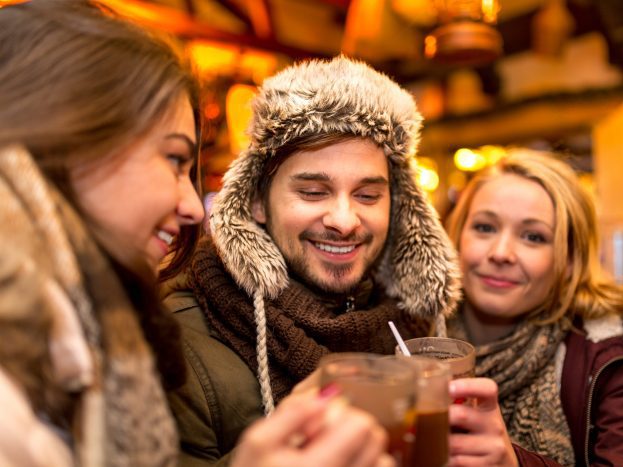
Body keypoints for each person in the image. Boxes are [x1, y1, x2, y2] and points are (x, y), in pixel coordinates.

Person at [0, 2, 392, 467]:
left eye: (369, 195)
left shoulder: (93, 335)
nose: (191, 207)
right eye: (172, 160)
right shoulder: (169, 336)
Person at [162, 55, 463, 464]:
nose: (343, 220)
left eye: (368, 195)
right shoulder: (177, 341)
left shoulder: (416, 328)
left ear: (397, 207)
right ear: (256, 203)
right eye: (313, 192)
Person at [443, 149, 623, 466]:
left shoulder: (610, 356)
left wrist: (515, 463)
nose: (500, 253)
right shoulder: (413, 333)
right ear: (456, 236)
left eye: (533, 237)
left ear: (569, 261)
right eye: (485, 228)